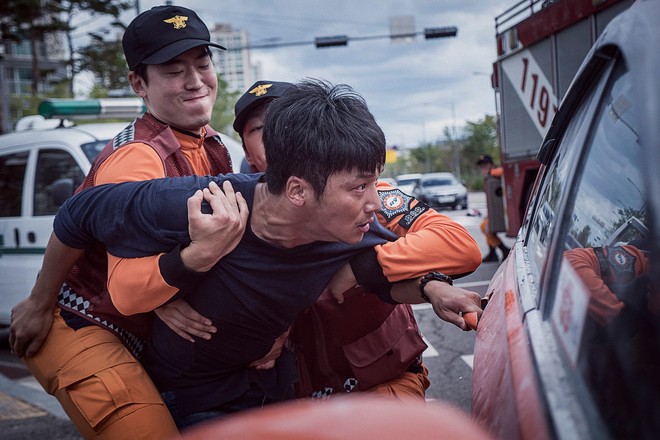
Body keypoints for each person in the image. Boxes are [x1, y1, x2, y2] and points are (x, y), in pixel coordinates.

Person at [50, 79, 485, 429]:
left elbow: (403, 269)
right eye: (359, 187)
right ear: (295, 185)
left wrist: (431, 289)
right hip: (195, 396)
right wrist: (38, 302)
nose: (373, 202)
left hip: (282, 387)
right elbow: (77, 214)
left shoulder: (346, 222)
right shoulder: (204, 205)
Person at [8, 5, 244, 439]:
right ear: (139, 83)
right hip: (87, 325)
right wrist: (41, 301)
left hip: (145, 336)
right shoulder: (137, 156)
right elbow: (128, 282)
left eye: (202, 64)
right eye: (174, 71)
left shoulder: (213, 146)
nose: (195, 81)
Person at [232, 80, 482, 400]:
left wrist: (364, 267)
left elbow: (459, 245)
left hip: (381, 382)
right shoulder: (240, 214)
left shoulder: (365, 195)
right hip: (300, 395)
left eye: (287, 124)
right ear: (246, 151)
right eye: (260, 129)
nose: (274, 137)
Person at [476, 154, 510, 262]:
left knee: (485, 226)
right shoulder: (487, 178)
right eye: (482, 165)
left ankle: (504, 250)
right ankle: (493, 253)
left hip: (505, 212)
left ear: (491, 164)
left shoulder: (494, 173)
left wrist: (491, 172)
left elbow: (505, 171)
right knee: (485, 225)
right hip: (495, 212)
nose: (484, 167)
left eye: (486, 164)